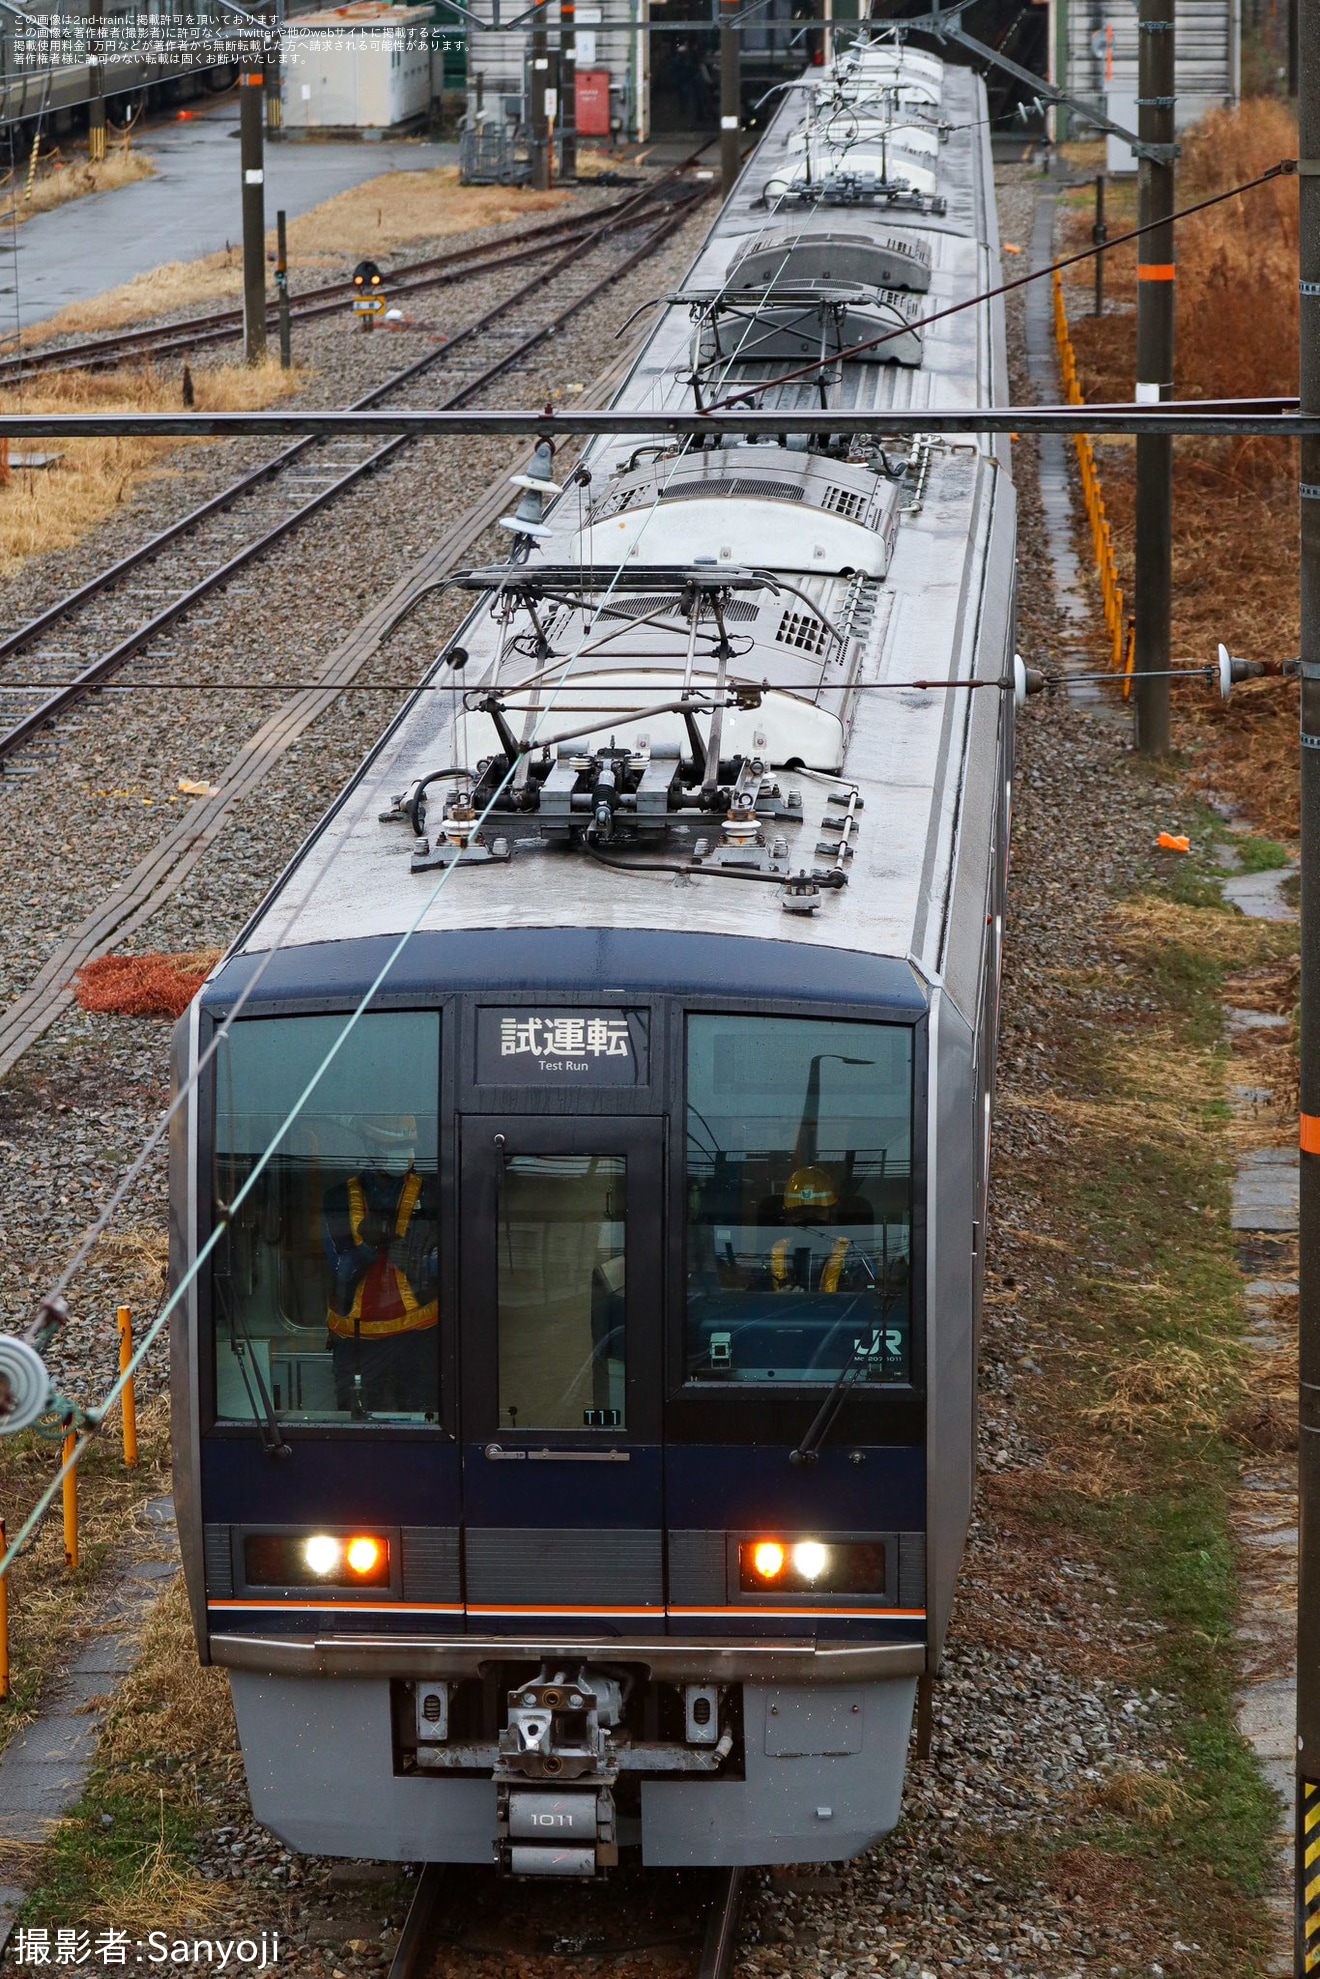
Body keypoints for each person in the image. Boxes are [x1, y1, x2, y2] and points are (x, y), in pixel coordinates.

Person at [323, 1115, 439, 1415]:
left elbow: (450, 1266)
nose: (406, 1155)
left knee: (423, 1419)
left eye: (410, 1146)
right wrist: (368, 1248)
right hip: (357, 1341)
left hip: (418, 1335)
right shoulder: (338, 1198)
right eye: (396, 1146)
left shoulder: (434, 1194)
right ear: (371, 1146)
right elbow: (338, 1273)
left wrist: (426, 1261)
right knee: (356, 1423)